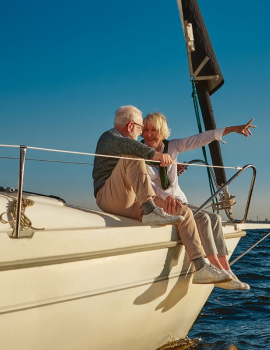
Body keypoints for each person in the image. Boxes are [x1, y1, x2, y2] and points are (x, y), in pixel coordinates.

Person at [93, 105, 231, 284]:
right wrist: (156, 155)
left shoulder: (170, 146)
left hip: (133, 199)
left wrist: (229, 130)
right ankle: (151, 212)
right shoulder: (110, 137)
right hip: (108, 196)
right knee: (133, 155)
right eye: (142, 128)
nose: (143, 133)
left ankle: (201, 267)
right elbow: (129, 148)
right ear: (130, 126)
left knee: (183, 212)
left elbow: (196, 140)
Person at [142, 112, 255, 290]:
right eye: (145, 130)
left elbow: (202, 138)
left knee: (215, 218)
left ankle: (226, 271)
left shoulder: (172, 146)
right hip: (158, 201)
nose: (149, 134)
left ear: (162, 131)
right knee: (202, 218)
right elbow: (146, 184)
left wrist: (233, 129)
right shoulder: (140, 152)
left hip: (177, 199)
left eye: (153, 130)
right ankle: (214, 269)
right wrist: (166, 196)